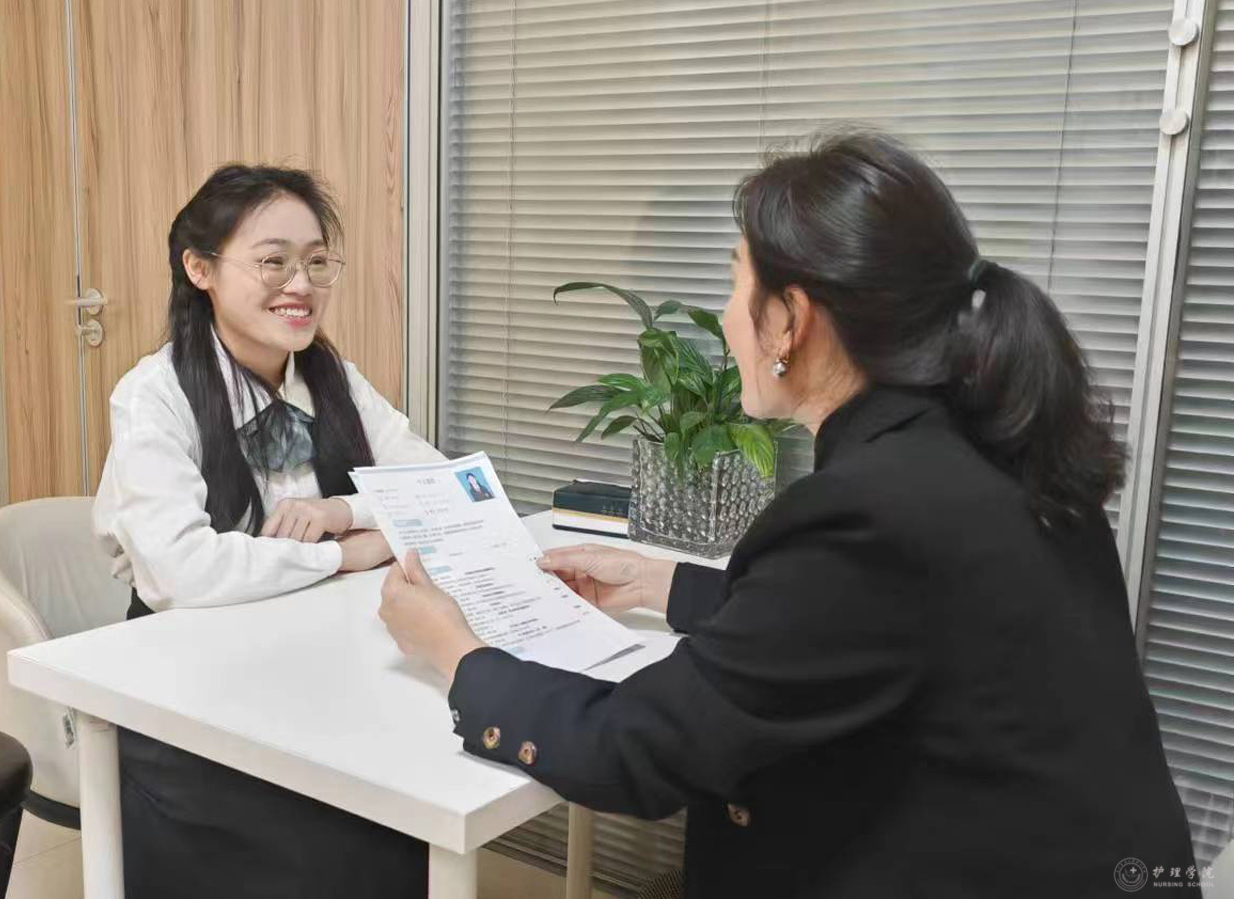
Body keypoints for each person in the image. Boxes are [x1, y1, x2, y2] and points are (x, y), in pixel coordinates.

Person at [376, 132, 1199, 897]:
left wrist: (454, 649)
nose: (728, 317)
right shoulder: (987, 445)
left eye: (737, 283)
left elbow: (636, 747)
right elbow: (866, 628)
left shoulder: (872, 511)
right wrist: (664, 584)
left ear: (790, 321)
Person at [92, 164, 444, 897]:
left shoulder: (332, 378)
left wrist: (348, 516)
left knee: (403, 825)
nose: (300, 285)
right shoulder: (155, 395)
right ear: (200, 269)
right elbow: (182, 570)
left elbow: (440, 487)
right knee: (333, 854)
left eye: (316, 262)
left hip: (311, 666)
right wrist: (341, 558)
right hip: (184, 694)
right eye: (272, 261)